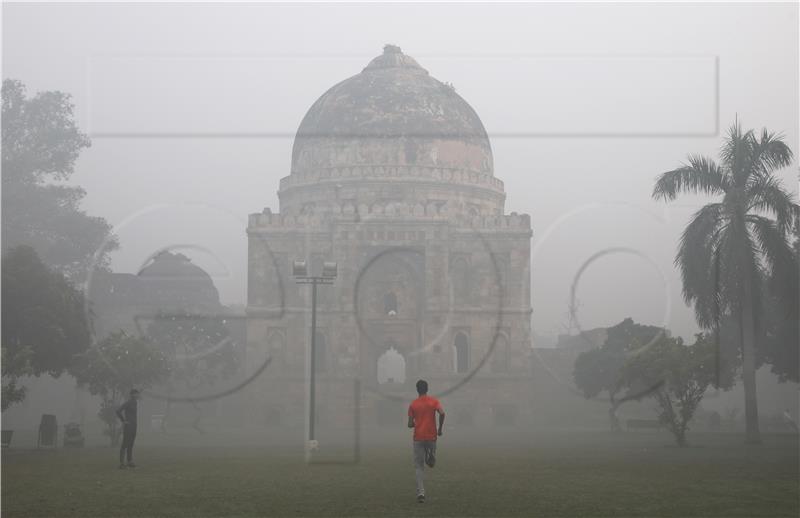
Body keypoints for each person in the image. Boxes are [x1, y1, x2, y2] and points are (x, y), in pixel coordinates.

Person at [407, 379, 445, 503]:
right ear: (427, 389)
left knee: (419, 466)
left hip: (418, 437)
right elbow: (442, 413)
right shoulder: (433, 402)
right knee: (431, 463)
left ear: (417, 390)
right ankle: (431, 456)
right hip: (431, 436)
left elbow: (409, 424)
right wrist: (440, 428)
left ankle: (421, 493)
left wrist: (414, 423)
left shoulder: (413, 404)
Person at [116, 389, 140, 469]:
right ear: (132, 394)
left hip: (134, 426)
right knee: (125, 444)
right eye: (136, 394)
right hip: (128, 427)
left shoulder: (135, 402)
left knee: (131, 444)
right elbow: (118, 411)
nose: (138, 395)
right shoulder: (128, 402)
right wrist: (123, 421)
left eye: (138, 394)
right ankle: (121, 463)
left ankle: (130, 461)